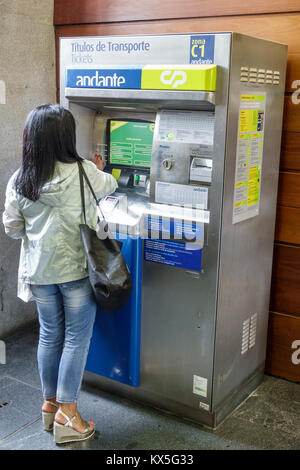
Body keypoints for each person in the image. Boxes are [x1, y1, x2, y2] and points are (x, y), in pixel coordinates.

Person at [2, 104, 117, 444]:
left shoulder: (21, 177)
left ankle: (50, 406)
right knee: (76, 340)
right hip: (77, 271)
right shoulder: (83, 172)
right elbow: (109, 185)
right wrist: (99, 167)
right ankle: (69, 411)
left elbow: (11, 227)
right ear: (68, 137)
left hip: (39, 272)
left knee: (50, 335)